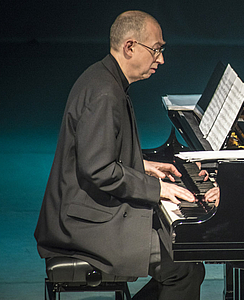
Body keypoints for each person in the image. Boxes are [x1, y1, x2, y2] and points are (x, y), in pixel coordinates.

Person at [34, 10, 218, 300]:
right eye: (156, 49)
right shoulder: (105, 93)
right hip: (82, 225)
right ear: (130, 47)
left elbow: (97, 152)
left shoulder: (104, 77)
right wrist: (157, 189)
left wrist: (142, 166)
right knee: (183, 267)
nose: (161, 59)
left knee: (184, 260)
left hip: (87, 212)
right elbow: (98, 170)